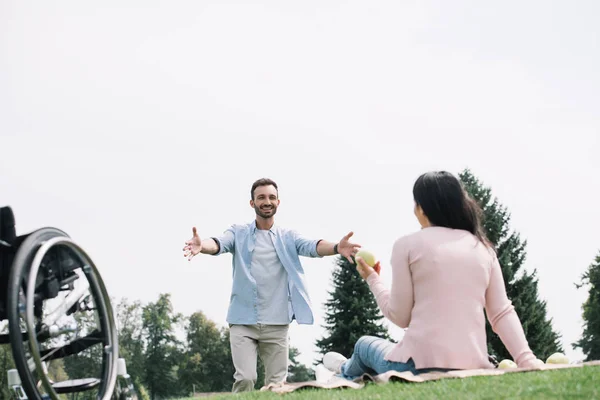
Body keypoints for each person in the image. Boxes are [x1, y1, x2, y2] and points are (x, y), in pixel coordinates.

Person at [322, 171, 543, 380]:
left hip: (416, 366)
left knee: (363, 345)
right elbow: (501, 312)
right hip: (473, 364)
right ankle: (344, 369)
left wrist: (372, 278)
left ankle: (340, 372)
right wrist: (526, 360)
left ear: (421, 208)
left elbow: (400, 316)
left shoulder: (406, 246)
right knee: (375, 352)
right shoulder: (483, 249)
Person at [182, 178, 361, 392]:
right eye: (261, 197)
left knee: (277, 386)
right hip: (242, 321)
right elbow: (219, 243)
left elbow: (312, 246)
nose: (267, 201)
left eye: (271, 197)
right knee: (246, 379)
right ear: (252, 203)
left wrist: (336, 247)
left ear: (278, 202)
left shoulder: (288, 237)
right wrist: (202, 246)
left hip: (277, 323)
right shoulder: (238, 233)